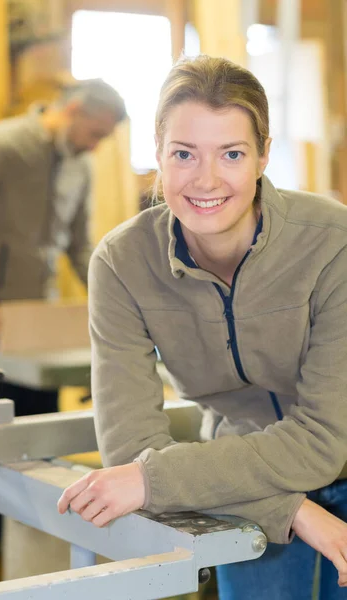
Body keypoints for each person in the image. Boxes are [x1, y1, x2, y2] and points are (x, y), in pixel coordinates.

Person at [57, 56, 347, 599]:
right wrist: (291, 511)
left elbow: (323, 441)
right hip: (231, 482)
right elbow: (132, 448)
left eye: (232, 154)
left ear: (262, 155)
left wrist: (153, 479)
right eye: (184, 154)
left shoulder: (334, 242)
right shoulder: (121, 263)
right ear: (159, 157)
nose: (206, 180)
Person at [0, 78, 126, 558]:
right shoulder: (0, 145)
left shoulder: (80, 167)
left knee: (39, 431)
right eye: (94, 131)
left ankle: (35, 539)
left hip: (39, 322)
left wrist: (115, 296)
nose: (96, 144)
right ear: (70, 109)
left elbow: (79, 244)